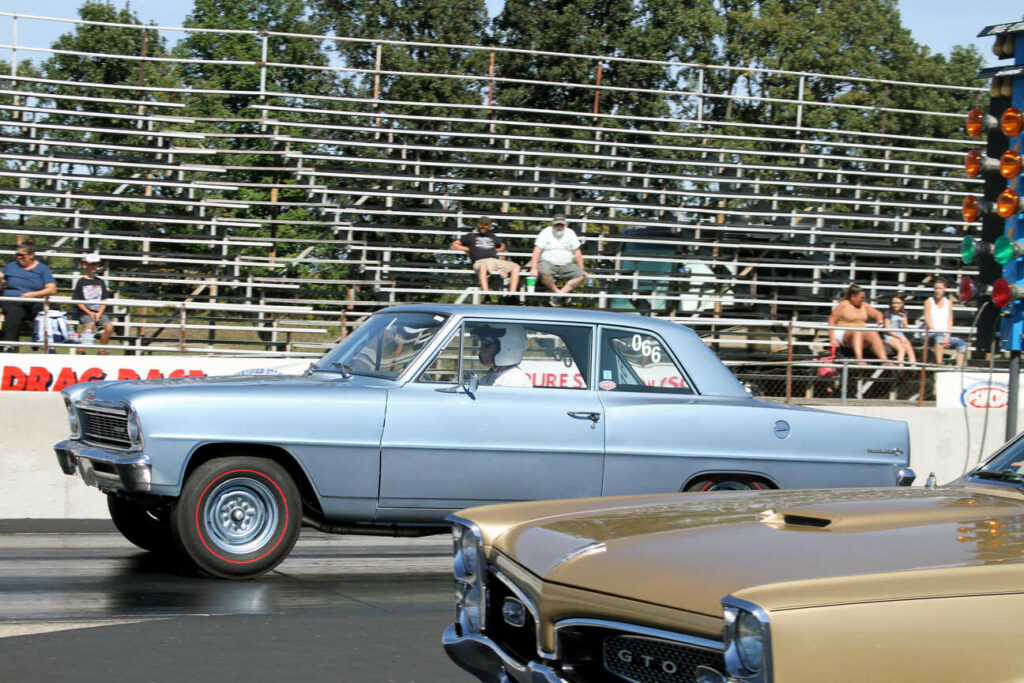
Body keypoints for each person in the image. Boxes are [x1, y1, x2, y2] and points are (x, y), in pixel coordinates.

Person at [0, 239, 57, 351]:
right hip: (13, 302)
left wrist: (34, 294)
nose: (19, 257)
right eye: (17, 255)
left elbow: (52, 289)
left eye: (22, 255)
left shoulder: (42, 269)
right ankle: (8, 346)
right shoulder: (10, 267)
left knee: (47, 311)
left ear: (31, 255)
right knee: (14, 312)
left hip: (35, 301)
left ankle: (42, 342)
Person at [451, 216, 520, 295]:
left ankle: (511, 295)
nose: (483, 226)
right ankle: (486, 295)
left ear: (489, 227)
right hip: (480, 261)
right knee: (483, 267)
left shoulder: (492, 236)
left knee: (516, 267)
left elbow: (502, 246)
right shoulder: (470, 236)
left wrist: (496, 250)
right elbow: (454, 245)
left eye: (486, 224)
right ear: (478, 225)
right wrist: (468, 249)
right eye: (481, 224)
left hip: (494, 260)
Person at [528, 214, 587, 306]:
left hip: (567, 264)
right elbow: (537, 250)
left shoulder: (570, 233)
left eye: (561, 225)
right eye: (556, 225)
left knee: (582, 275)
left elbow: (577, 252)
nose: (559, 227)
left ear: (566, 225)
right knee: (544, 273)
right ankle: (559, 293)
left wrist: (582, 269)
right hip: (547, 263)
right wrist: (534, 268)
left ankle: (559, 295)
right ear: (552, 224)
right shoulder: (545, 232)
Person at [827, 284, 888, 363]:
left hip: (860, 332)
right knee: (857, 332)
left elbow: (878, 314)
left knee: (873, 333)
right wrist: (833, 339)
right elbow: (831, 321)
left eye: (863, 298)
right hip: (843, 333)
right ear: (853, 297)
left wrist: (879, 319)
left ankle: (885, 361)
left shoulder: (864, 305)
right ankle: (859, 359)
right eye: (861, 298)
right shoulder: (843, 305)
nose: (863, 299)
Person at [72, 253, 114, 352]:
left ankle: (101, 350)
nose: (94, 267)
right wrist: (90, 313)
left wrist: (99, 313)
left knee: (109, 327)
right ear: (85, 265)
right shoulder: (81, 282)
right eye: (92, 264)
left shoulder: (100, 282)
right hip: (85, 312)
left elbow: (104, 300)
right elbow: (78, 302)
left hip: (98, 311)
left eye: (96, 264)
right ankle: (81, 350)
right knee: (89, 325)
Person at [924, 276, 966, 366]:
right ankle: (939, 363)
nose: (937, 291)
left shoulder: (948, 302)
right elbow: (927, 321)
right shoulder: (929, 301)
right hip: (931, 335)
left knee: (961, 343)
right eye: (936, 288)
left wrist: (947, 336)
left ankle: (959, 368)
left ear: (944, 289)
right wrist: (940, 336)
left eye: (940, 288)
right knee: (939, 336)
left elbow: (950, 321)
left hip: (944, 335)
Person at [882, 293, 916, 364]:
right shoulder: (887, 313)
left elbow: (905, 328)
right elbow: (888, 330)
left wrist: (904, 321)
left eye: (898, 303)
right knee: (902, 349)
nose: (895, 305)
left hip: (900, 334)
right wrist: (899, 338)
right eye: (894, 303)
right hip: (890, 335)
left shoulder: (904, 313)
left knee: (910, 351)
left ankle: (914, 369)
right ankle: (900, 369)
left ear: (902, 303)